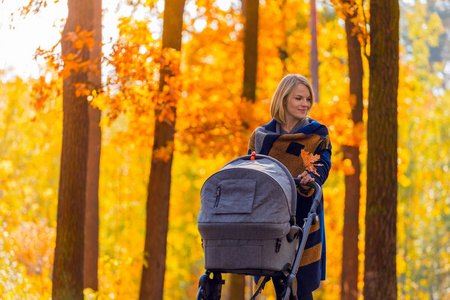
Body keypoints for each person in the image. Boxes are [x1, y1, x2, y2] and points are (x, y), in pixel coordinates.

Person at [248, 74, 332, 300]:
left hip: (304, 213)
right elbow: (251, 171)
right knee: (279, 279)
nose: (305, 104)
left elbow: (323, 163)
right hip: (270, 215)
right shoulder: (262, 137)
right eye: (298, 98)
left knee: (300, 284)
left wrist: (311, 175)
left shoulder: (317, 133)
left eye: (308, 99)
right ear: (284, 99)